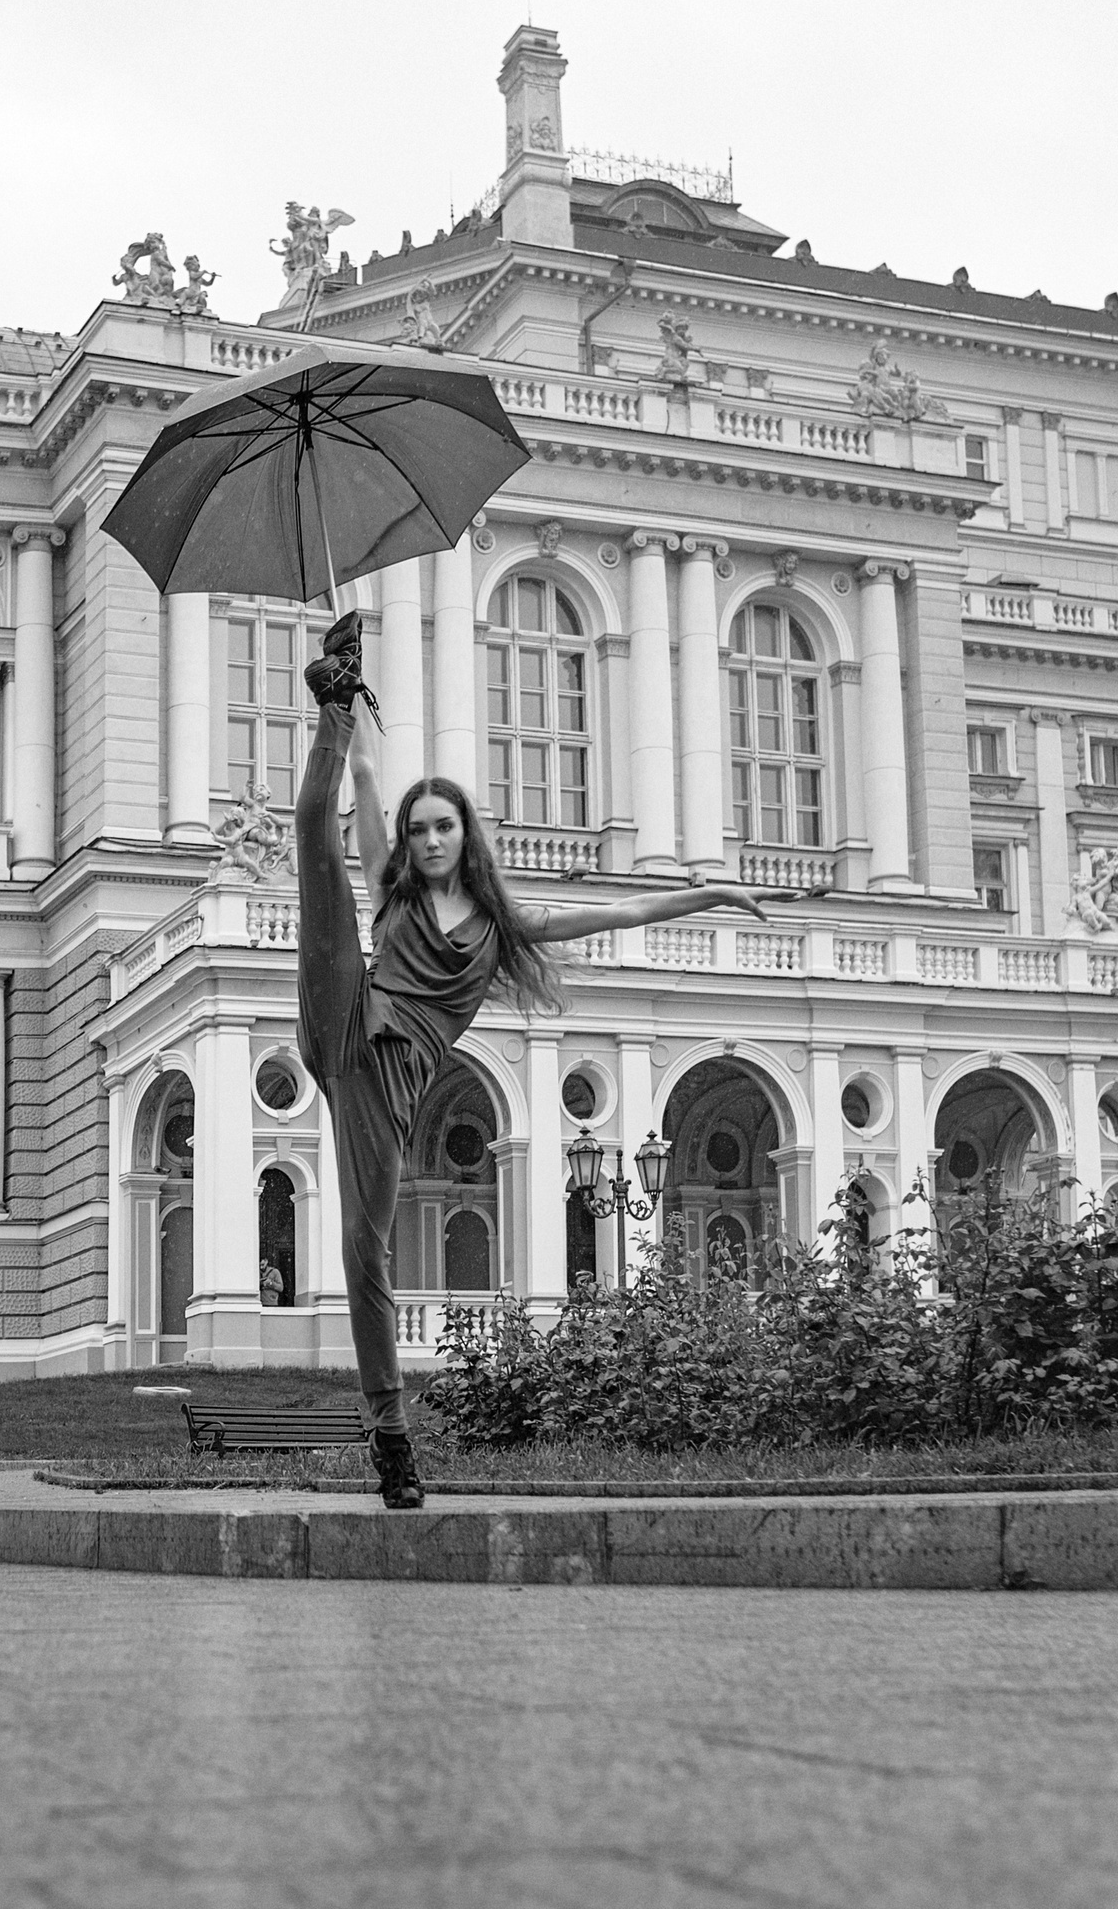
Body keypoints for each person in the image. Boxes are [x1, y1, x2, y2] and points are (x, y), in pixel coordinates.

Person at [298, 612, 792, 1509]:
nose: (430, 840)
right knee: (314, 841)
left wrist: (706, 891)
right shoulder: (393, 891)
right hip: (345, 1012)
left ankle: (392, 1439)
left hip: (390, 1079)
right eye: (419, 830)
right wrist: (358, 695)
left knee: (362, 1251)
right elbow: (369, 779)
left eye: (443, 827)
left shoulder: (502, 927)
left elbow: (614, 918)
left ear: (465, 835)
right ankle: (329, 690)